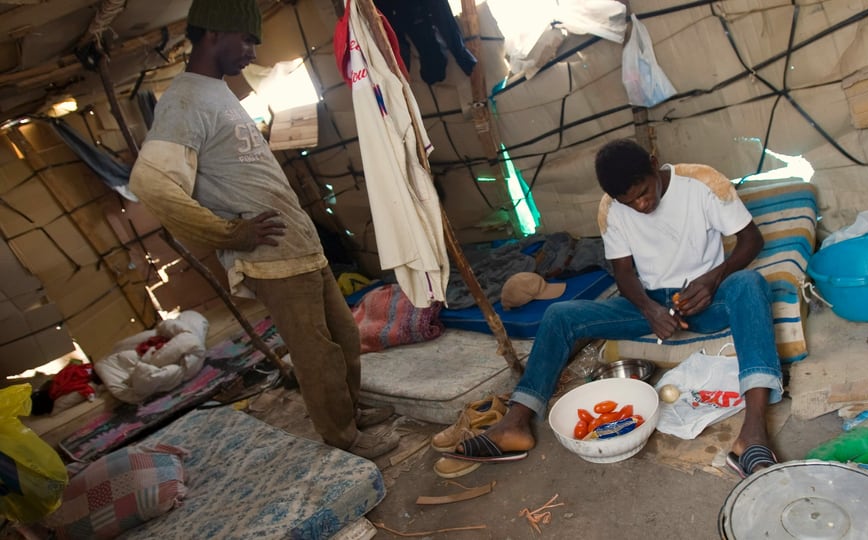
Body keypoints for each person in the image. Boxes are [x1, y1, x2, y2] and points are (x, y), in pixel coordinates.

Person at [129, 0, 399, 459]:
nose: (253, 51)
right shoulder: (185, 98)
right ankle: (343, 438)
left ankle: (349, 411)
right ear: (214, 33)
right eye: (248, 39)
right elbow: (150, 183)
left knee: (344, 337)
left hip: (299, 246)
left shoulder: (218, 91)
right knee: (316, 351)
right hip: (272, 258)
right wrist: (229, 234)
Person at [447, 138, 783, 477]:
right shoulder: (611, 208)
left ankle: (753, 433)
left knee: (750, 284)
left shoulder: (702, 183)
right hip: (649, 303)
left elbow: (752, 239)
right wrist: (649, 309)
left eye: (644, 192)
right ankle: (516, 422)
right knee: (559, 315)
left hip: (705, 299)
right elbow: (623, 274)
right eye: (630, 201)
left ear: (654, 164)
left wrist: (712, 279)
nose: (640, 205)